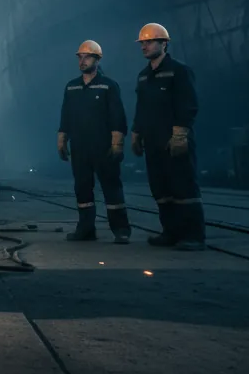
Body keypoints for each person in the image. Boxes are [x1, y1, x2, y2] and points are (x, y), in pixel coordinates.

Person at [131, 23, 205, 250]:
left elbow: (189, 104)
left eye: (149, 42)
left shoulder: (179, 70)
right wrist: (136, 133)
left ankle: (193, 236)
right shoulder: (143, 76)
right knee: (161, 189)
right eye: (142, 43)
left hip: (174, 140)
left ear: (164, 44)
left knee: (183, 187)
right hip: (152, 141)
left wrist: (181, 133)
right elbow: (141, 108)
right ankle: (170, 232)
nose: (144, 46)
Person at [58, 40, 131, 243]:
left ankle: (121, 230)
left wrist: (117, 141)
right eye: (80, 57)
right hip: (80, 147)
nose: (82, 61)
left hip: (103, 146)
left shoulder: (108, 86)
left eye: (87, 57)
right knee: (82, 187)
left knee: (111, 186)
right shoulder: (71, 87)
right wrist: (62, 137)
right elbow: (66, 115)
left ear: (97, 59)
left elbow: (117, 115)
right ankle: (86, 229)